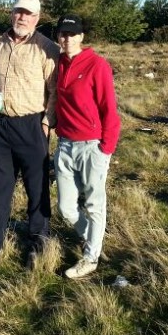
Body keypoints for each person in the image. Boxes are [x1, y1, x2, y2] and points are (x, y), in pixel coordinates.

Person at [0, 0, 60, 268]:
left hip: (32, 125)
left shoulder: (48, 49)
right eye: (18, 12)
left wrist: (47, 123)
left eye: (28, 13)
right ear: (12, 14)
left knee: (37, 189)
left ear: (37, 18)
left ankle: (37, 243)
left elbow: (55, 92)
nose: (22, 17)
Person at [52, 14, 121, 278]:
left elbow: (109, 110)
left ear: (81, 36)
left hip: (92, 146)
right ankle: (95, 235)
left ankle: (91, 257)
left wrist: (106, 150)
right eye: (62, 33)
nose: (66, 38)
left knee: (94, 204)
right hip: (65, 144)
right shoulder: (58, 63)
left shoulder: (97, 65)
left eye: (72, 34)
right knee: (67, 208)